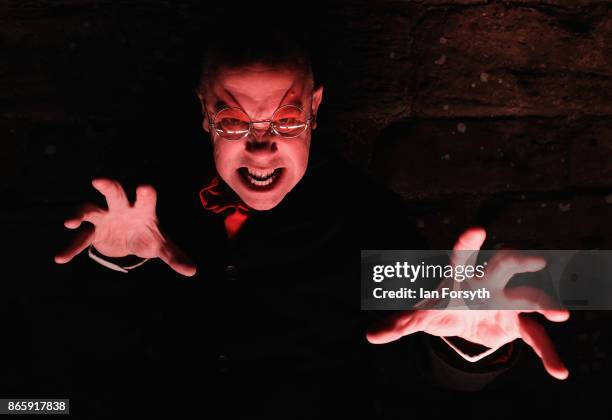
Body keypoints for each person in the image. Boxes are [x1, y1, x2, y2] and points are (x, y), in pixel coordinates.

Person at [54, 26, 569, 418]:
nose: (261, 145)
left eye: (287, 118)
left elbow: (437, 373)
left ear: (316, 109)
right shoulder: (138, 201)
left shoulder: (369, 221)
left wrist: (471, 345)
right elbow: (68, 361)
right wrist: (111, 261)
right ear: (204, 111)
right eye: (234, 120)